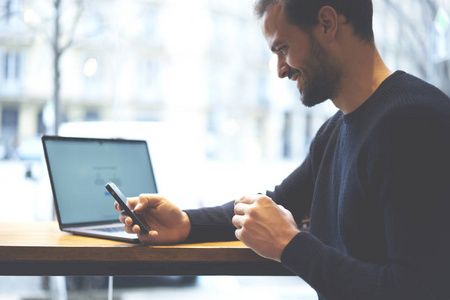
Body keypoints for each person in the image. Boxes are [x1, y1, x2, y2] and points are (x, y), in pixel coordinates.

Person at [115, 0, 450, 299]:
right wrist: (187, 223)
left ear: (327, 23)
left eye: (283, 48)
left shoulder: (413, 122)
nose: (280, 70)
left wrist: (292, 246)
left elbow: (419, 288)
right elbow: (274, 204)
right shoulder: (334, 133)